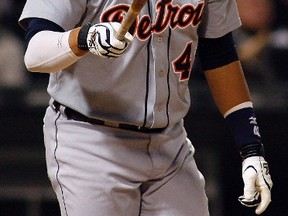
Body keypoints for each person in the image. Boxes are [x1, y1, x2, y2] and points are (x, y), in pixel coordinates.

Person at [19, 0, 273, 215]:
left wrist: (250, 146)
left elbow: (220, 53)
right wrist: (84, 37)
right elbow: (35, 53)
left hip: (170, 144)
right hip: (91, 140)